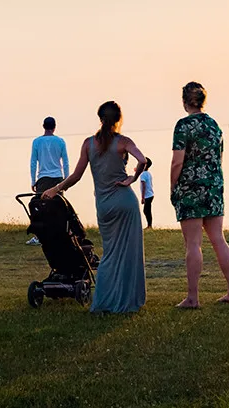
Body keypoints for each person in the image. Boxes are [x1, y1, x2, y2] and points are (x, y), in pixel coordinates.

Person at [44, 101, 146, 314]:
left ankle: (104, 302)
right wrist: (132, 178)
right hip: (126, 201)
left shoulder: (88, 144)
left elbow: (76, 176)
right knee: (129, 253)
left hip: (105, 205)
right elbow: (143, 160)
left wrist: (56, 189)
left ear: (100, 118)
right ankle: (127, 301)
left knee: (109, 253)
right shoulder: (123, 141)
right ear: (119, 119)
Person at [170, 82, 229, 308]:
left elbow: (177, 161)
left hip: (190, 188)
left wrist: (173, 187)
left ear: (184, 101)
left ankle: (192, 297)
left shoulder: (183, 126)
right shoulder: (214, 126)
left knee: (193, 243)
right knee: (218, 239)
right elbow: (219, 158)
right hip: (214, 186)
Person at [28, 116, 70, 245]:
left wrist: (33, 180)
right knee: (58, 207)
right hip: (57, 178)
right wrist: (66, 180)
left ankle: (40, 236)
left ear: (43, 126)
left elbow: (33, 162)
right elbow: (66, 162)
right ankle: (59, 234)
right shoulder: (60, 141)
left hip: (43, 178)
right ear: (54, 127)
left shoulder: (37, 142)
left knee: (41, 208)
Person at [139, 158, 154, 229]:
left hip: (147, 195)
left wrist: (142, 197)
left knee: (146, 210)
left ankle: (149, 225)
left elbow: (144, 185)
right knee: (147, 210)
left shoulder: (143, 175)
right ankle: (149, 225)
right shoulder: (147, 173)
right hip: (150, 194)